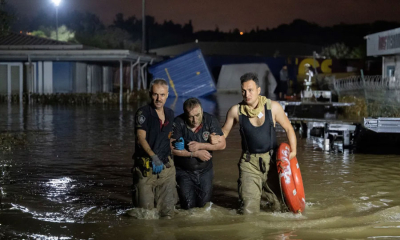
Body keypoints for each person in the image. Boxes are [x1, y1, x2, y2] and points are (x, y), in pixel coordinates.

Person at [211, 72, 297, 214]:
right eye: (243, 91)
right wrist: (215, 138)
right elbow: (224, 132)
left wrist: (293, 152)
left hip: (272, 163)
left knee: (280, 208)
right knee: (248, 210)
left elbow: (288, 128)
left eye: (250, 90)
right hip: (249, 163)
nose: (247, 94)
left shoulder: (273, 107)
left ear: (258, 90)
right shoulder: (236, 111)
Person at [132, 78, 176, 219]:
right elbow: (140, 138)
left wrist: (178, 143)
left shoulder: (170, 114)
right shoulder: (143, 113)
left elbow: (168, 138)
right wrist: (153, 156)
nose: (158, 98)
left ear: (167, 95)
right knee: (145, 215)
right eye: (155, 94)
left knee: (167, 214)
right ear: (150, 94)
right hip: (146, 170)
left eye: (162, 95)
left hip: (166, 170)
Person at [171, 98, 226, 210]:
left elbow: (223, 145)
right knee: (187, 206)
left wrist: (201, 146)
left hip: (205, 171)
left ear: (202, 110)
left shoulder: (210, 120)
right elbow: (170, 149)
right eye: (191, 116)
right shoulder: (178, 122)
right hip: (184, 172)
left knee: (204, 207)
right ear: (185, 114)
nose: (195, 120)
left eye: (198, 115)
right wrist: (194, 154)